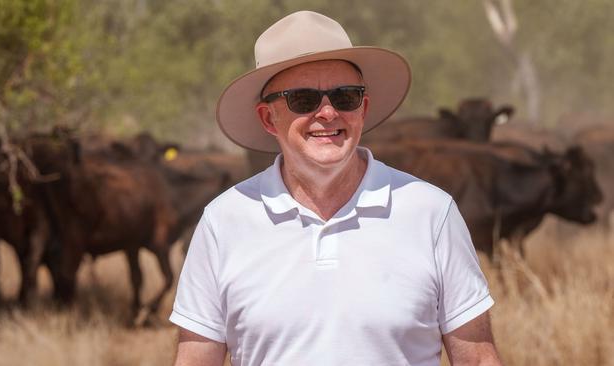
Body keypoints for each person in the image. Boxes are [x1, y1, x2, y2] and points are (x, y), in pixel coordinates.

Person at [170, 10, 501, 366]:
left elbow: (478, 358)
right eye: (303, 99)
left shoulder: (432, 212)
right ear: (268, 118)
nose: (328, 113)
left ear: (364, 109)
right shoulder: (223, 221)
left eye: (345, 97)